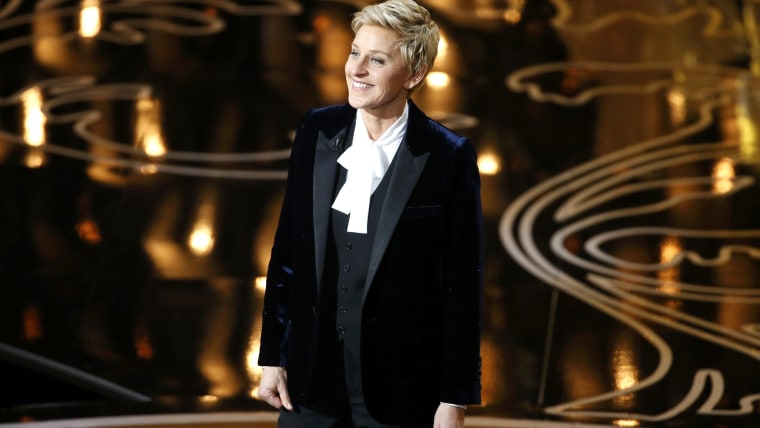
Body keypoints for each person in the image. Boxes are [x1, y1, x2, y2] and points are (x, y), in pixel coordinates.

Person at [257, 0, 483, 427]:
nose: (356, 70)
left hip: (400, 393)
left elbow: (461, 286)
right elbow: (288, 252)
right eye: (354, 52)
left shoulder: (447, 156)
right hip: (309, 386)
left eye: (376, 60)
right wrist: (274, 356)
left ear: (414, 74)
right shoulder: (316, 130)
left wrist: (454, 398)